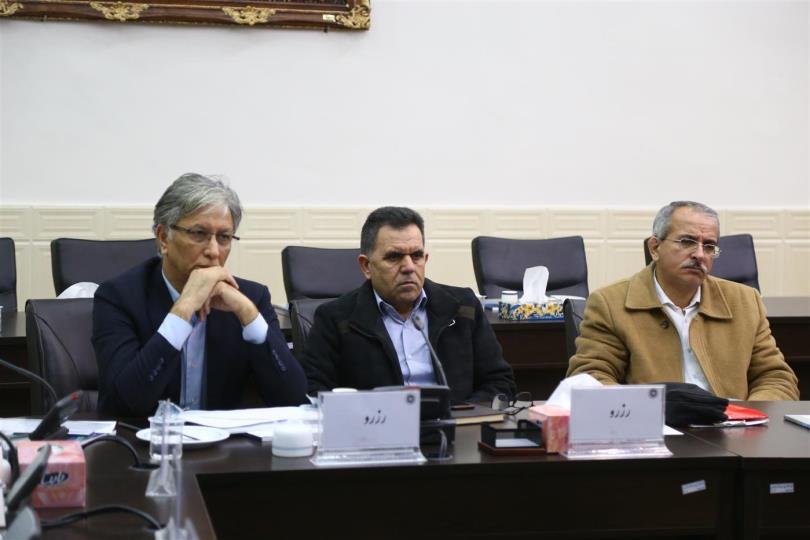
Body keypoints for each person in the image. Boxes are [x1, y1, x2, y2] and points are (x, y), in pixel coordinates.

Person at [92, 173, 307, 416]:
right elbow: (121, 404)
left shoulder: (250, 297)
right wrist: (182, 310)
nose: (214, 251)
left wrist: (248, 314)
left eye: (224, 237)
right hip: (146, 439)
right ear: (163, 238)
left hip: (223, 441)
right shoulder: (118, 297)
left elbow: (295, 400)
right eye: (198, 233)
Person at [567, 201, 798, 400]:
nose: (699, 254)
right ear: (655, 248)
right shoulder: (610, 303)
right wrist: (649, 410)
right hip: (655, 428)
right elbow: (591, 378)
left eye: (709, 246)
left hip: (733, 428)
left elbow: (776, 378)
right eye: (687, 242)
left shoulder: (745, 301)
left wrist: (745, 415)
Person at [300, 206, 516, 403]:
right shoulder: (335, 318)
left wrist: (461, 417)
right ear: (366, 266)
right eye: (394, 257)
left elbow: (499, 382)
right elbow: (313, 389)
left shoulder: (462, 308)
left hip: (456, 427)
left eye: (416, 255)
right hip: (378, 428)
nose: (409, 267)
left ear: (425, 259)